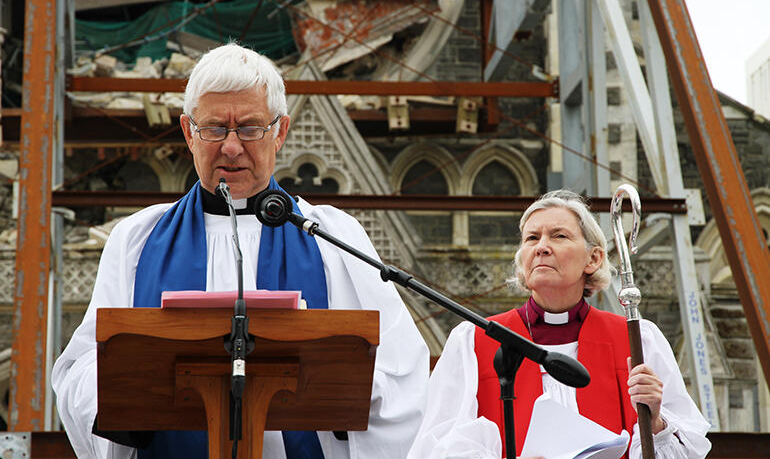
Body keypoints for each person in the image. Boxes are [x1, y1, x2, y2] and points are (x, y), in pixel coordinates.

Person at [52, 43, 429, 459]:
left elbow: (401, 372)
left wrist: (338, 381)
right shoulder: (138, 240)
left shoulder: (332, 238)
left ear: (280, 132)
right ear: (188, 132)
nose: (231, 147)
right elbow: (80, 368)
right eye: (215, 128)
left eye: (250, 129)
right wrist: (126, 394)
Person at [407, 189, 711, 459]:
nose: (541, 246)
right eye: (531, 238)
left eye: (559, 236)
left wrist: (655, 422)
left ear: (593, 259)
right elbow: (436, 445)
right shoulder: (474, 341)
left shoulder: (637, 340)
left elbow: (687, 449)